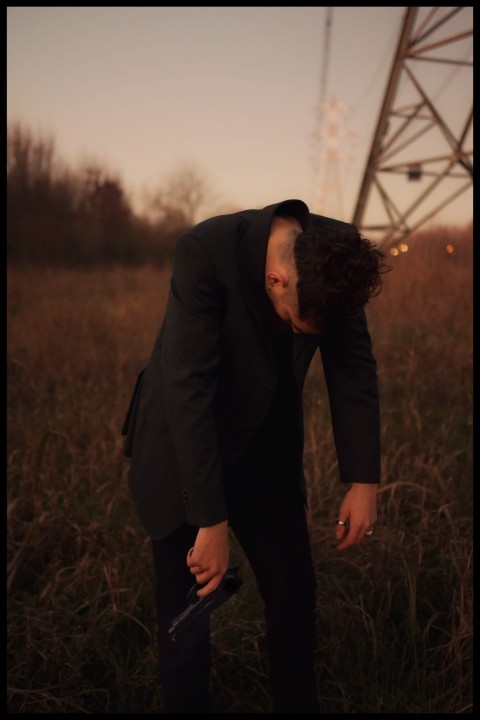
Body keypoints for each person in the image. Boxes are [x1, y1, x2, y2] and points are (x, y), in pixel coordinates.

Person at [122, 199, 389, 714]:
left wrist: (363, 481)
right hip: (181, 446)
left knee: (294, 597)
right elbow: (188, 389)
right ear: (276, 281)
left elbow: (353, 365)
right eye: (295, 324)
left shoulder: (338, 255)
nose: (298, 337)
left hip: (266, 448)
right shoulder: (202, 251)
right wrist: (210, 520)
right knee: (186, 620)